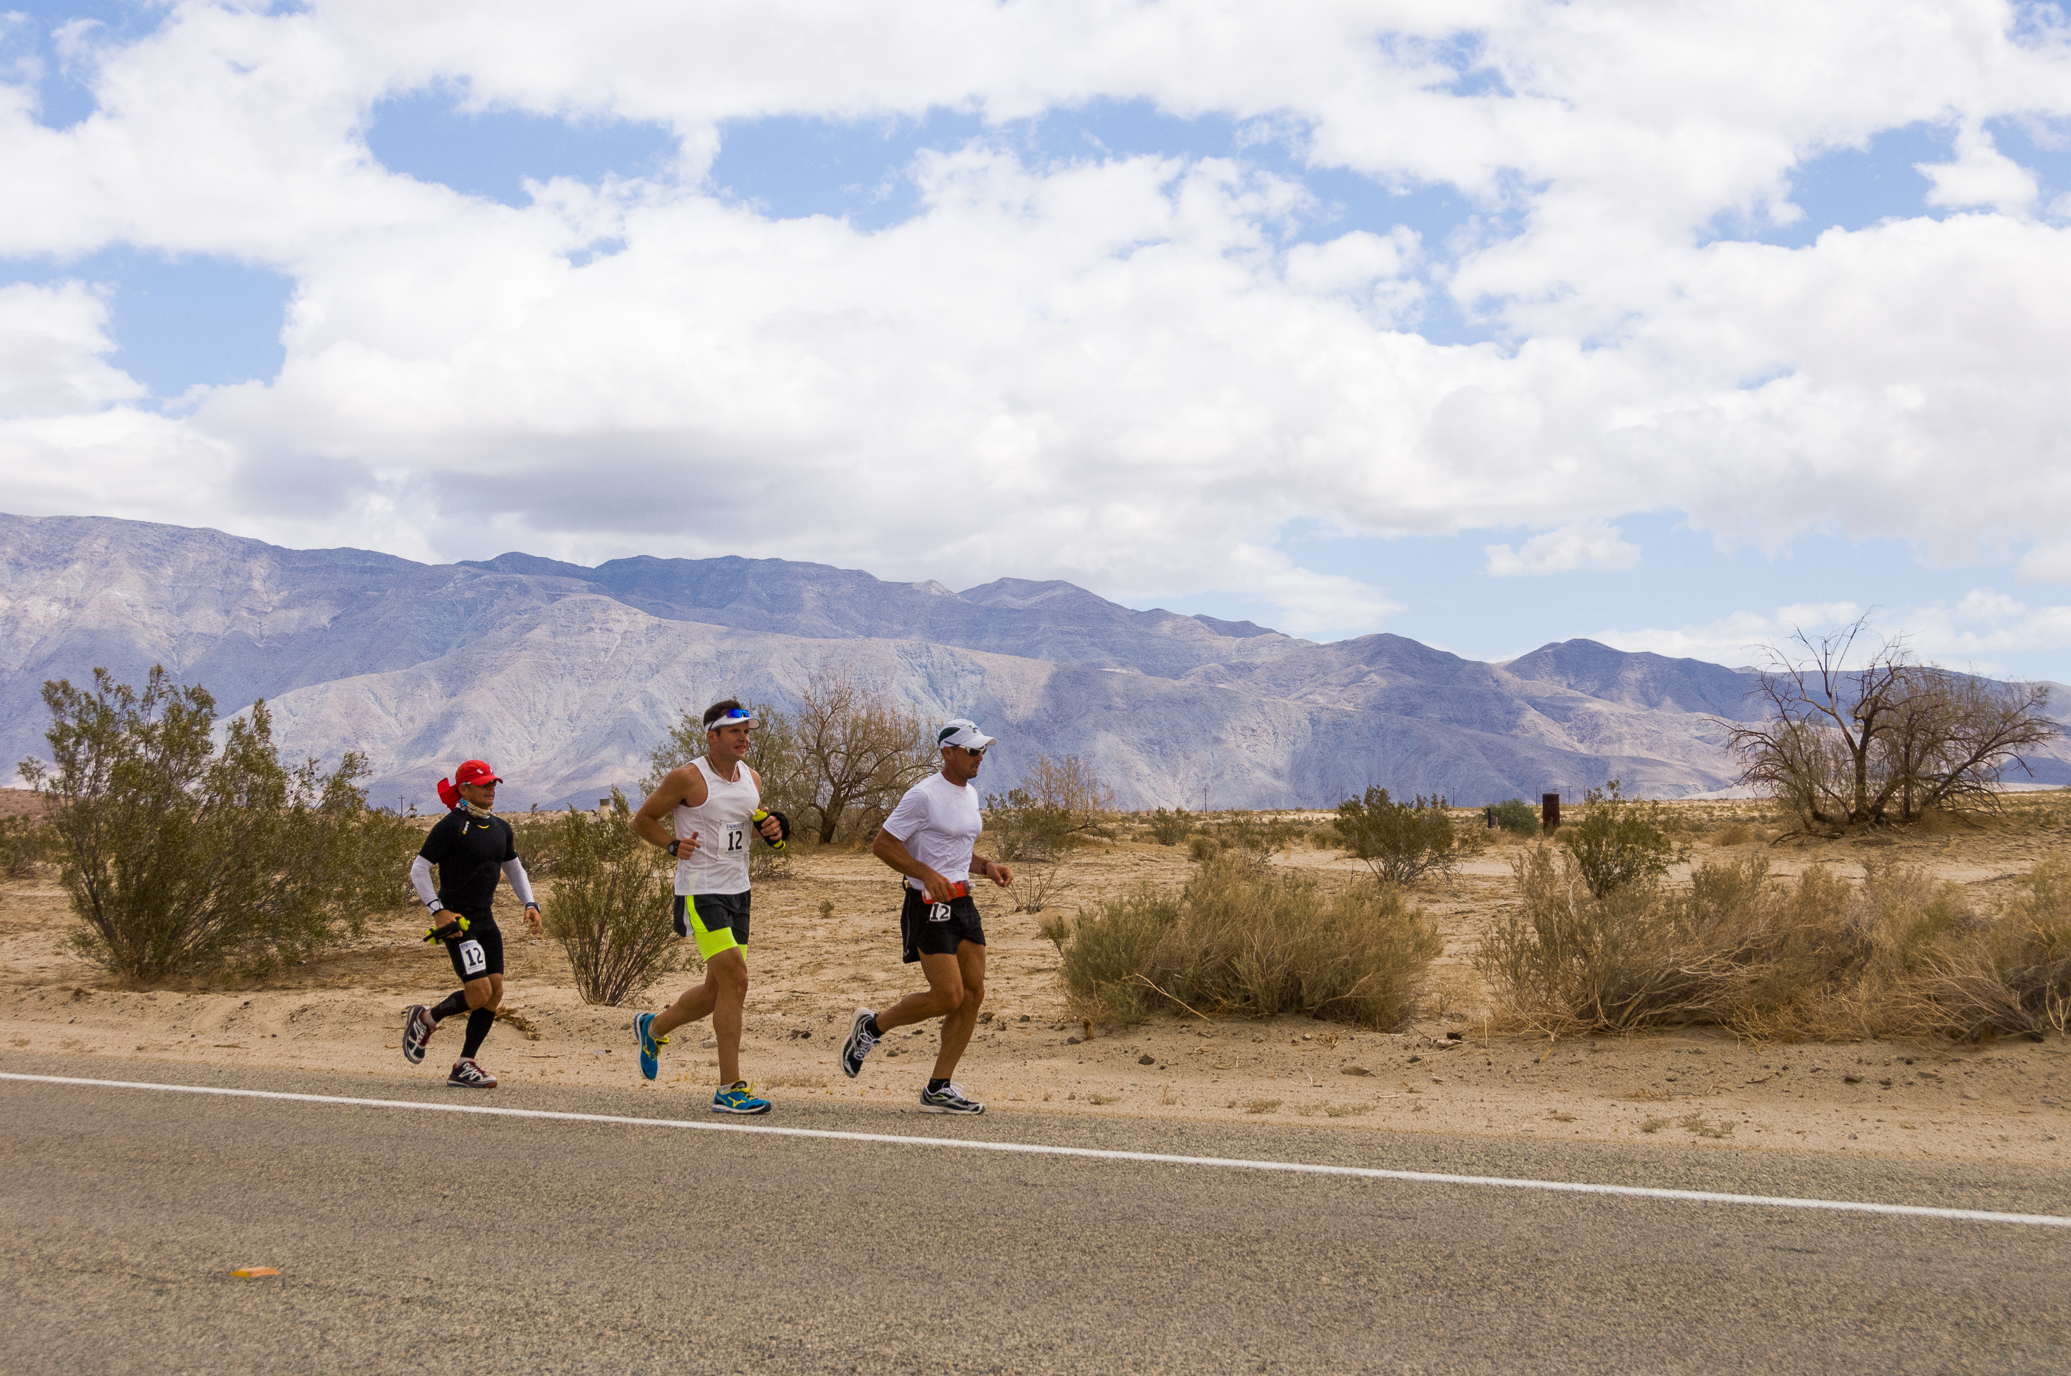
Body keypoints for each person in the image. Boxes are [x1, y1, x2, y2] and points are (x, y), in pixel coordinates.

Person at [841, 718, 1012, 1113]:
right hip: (927, 904)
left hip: (963, 902)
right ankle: (872, 1027)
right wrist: (925, 873)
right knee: (947, 996)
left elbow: (956, 851)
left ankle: (939, 1086)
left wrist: (986, 867)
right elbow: (883, 846)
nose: (978, 757)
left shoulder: (969, 795)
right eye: (971, 750)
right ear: (947, 752)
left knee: (973, 994)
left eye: (982, 750)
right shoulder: (922, 796)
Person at [629, 700, 788, 1114]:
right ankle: (729, 1088)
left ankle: (654, 1026)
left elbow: (744, 831)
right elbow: (642, 819)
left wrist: (770, 829)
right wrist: (670, 844)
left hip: (740, 890)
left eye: (747, 731)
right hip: (700, 890)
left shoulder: (751, 778)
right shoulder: (687, 777)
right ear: (711, 736)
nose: (744, 738)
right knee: (736, 978)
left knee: (715, 991)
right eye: (734, 731)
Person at [402, 759, 543, 1088]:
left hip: (486, 920)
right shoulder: (451, 826)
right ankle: (426, 1019)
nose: (492, 789)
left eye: (494, 784)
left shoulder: (500, 829)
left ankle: (464, 1064)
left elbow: (515, 870)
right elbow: (418, 870)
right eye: (484, 785)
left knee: (494, 994)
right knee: (478, 993)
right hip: (458, 923)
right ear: (464, 789)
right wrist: (438, 911)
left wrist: (530, 903)